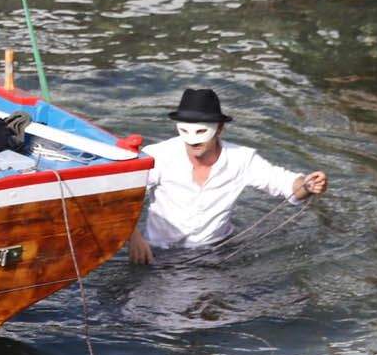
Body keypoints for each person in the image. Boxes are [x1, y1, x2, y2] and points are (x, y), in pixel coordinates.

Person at [127, 87, 327, 265]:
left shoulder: (241, 159)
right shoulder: (159, 156)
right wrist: (133, 236)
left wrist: (308, 186)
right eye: (186, 129)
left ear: (220, 129)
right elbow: (121, 195)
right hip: (158, 253)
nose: (193, 140)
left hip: (216, 253)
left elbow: (286, 184)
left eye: (201, 129)